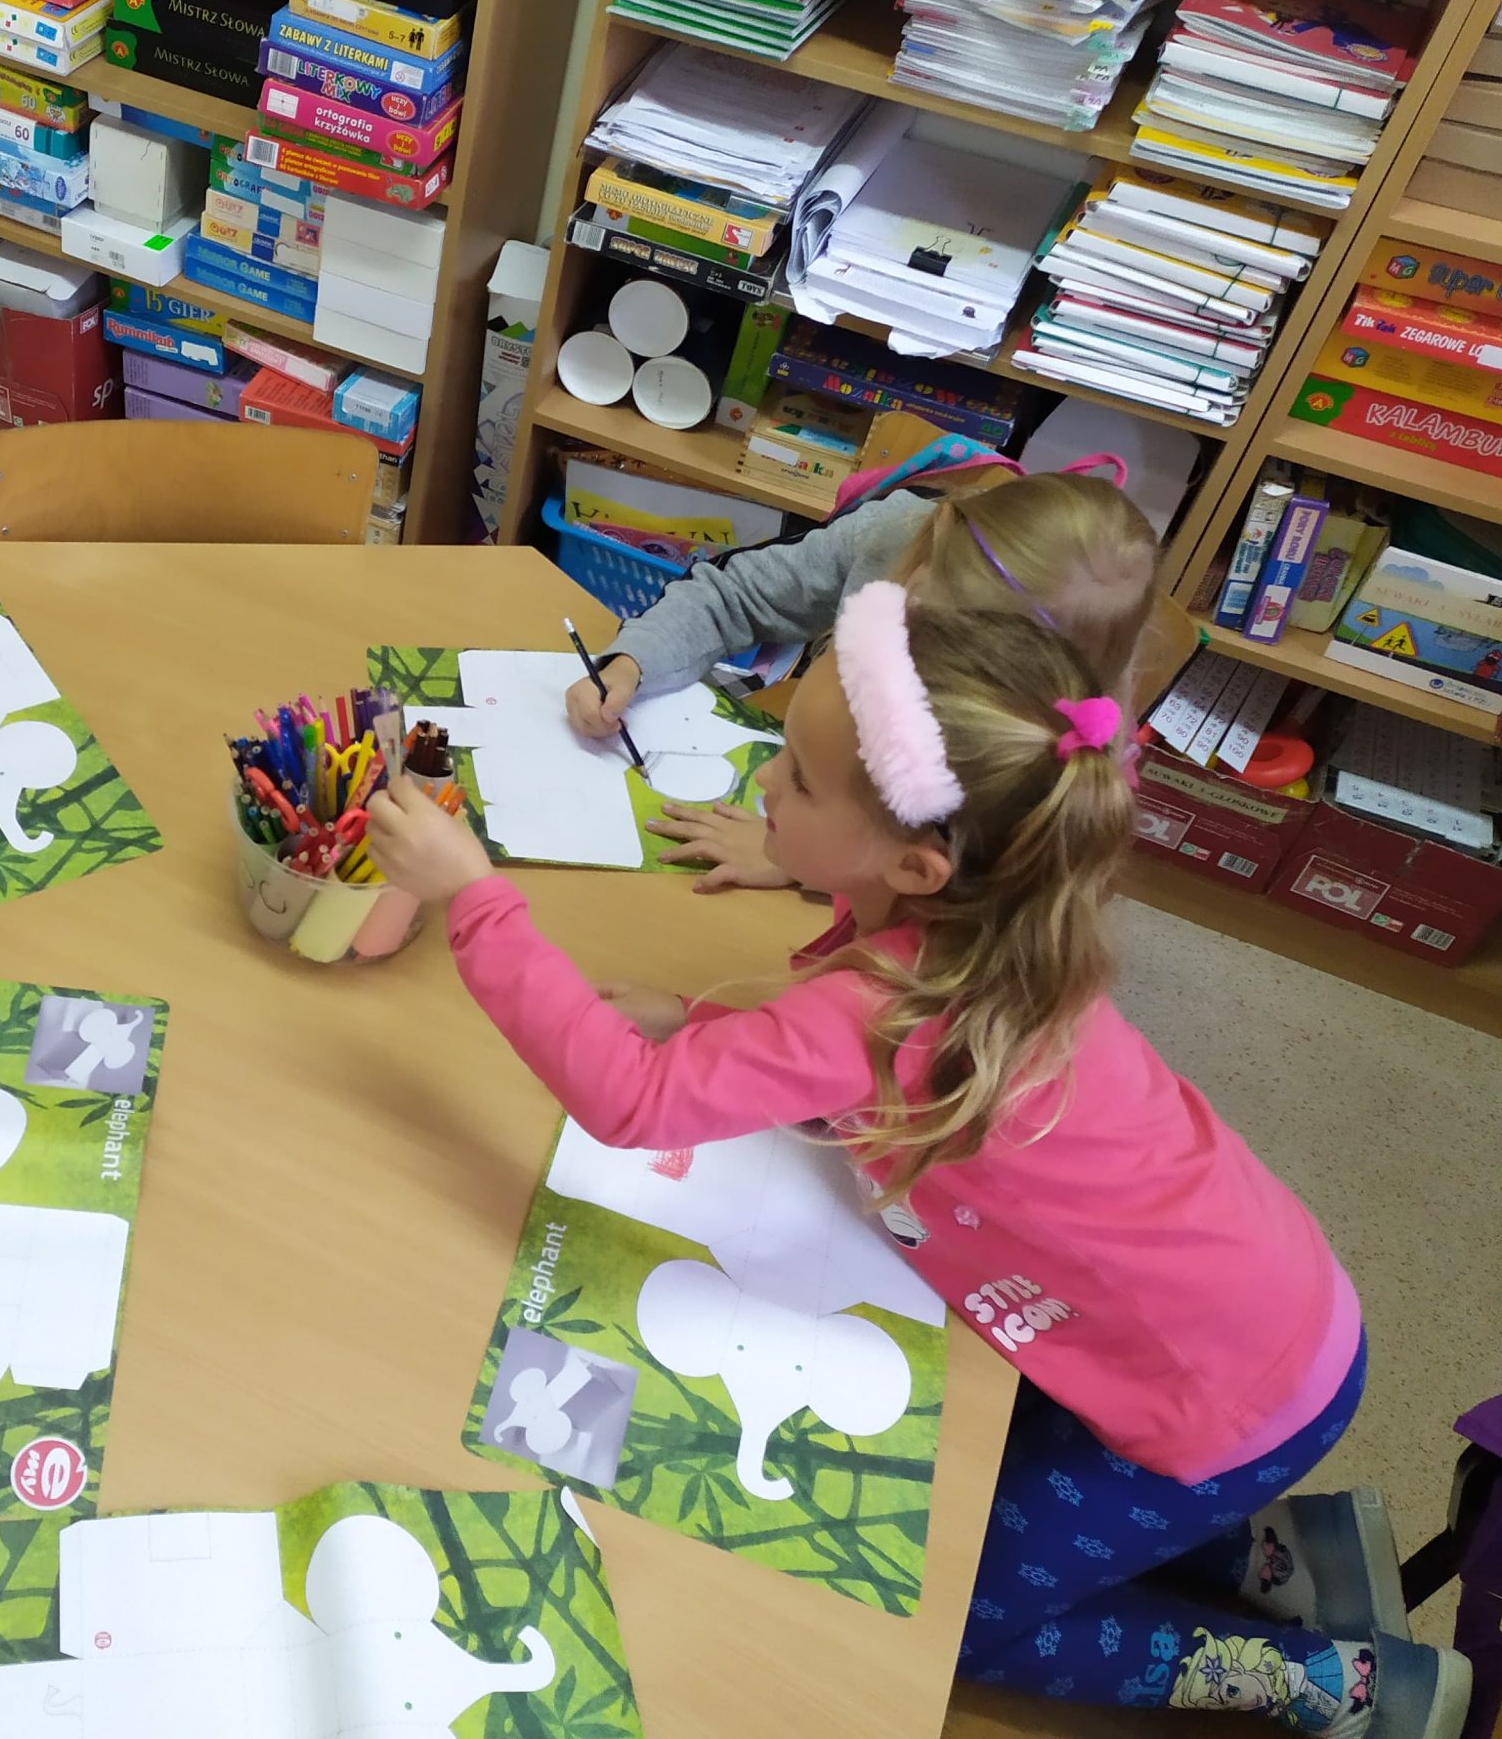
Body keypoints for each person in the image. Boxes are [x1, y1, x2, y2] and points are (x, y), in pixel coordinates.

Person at [368, 585, 1468, 1736]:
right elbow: (862, 1077)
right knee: (982, 1471)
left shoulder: (891, 1000)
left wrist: (474, 898)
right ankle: (1285, 1557)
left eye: (796, 777)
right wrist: (703, 1025)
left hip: (1226, 1397)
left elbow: (634, 1104)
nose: (762, 783)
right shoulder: (1000, 932)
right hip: (1269, 1312)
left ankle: (1325, 1678)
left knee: (956, 1624)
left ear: (919, 865)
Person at [569, 469, 1167, 896]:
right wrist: (632, 662)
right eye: (903, 603)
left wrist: (804, 860)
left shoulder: (1059, 768)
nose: (903, 617)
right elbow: (736, 593)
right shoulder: (901, 530)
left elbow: (995, 905)